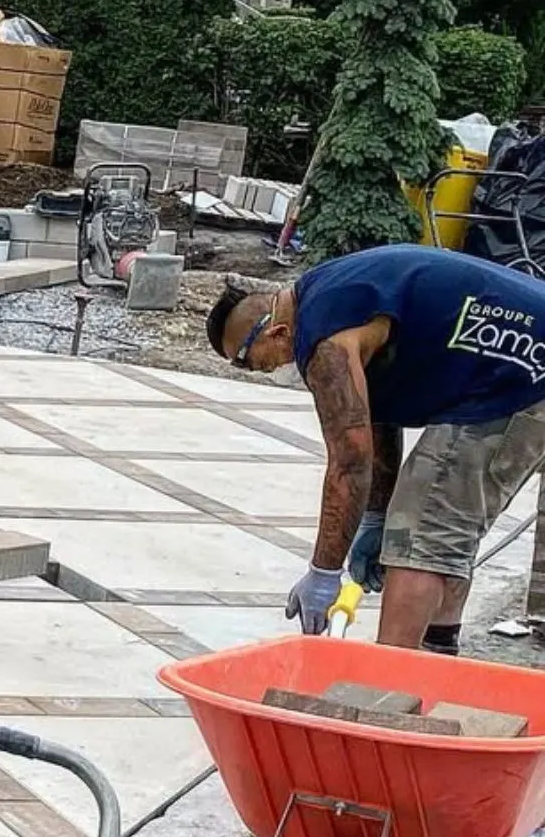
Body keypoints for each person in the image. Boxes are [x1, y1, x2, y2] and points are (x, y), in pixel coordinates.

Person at [206, 244, 545, 652]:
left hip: (520, 372)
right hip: (515, 362)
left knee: (423, 529)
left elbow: (350, 462)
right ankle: (435, 659)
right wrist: (376, 515)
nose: (258, 370)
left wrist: (324, 571)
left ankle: (393, 677)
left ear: (275, 332)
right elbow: (375, 420)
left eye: (246, 360)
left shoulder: (325, 338)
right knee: (440, 528)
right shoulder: (328, 296)